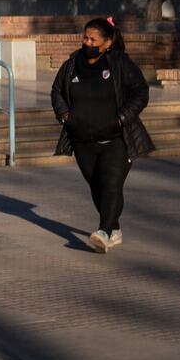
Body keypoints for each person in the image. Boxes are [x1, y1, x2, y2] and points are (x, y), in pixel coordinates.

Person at [51, 16, 155, 253]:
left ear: (108, 42)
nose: (87, 42)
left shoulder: (120, 64)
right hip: (82, 141)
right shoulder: (72, 64)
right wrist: (66, 117)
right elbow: (57, 91)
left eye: (93, 39)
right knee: (97, 187)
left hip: (116, 140)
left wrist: (121, 119)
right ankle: (114, 228)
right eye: (85, 37)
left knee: (110, 184)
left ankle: (103, 231)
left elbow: (141, 92)